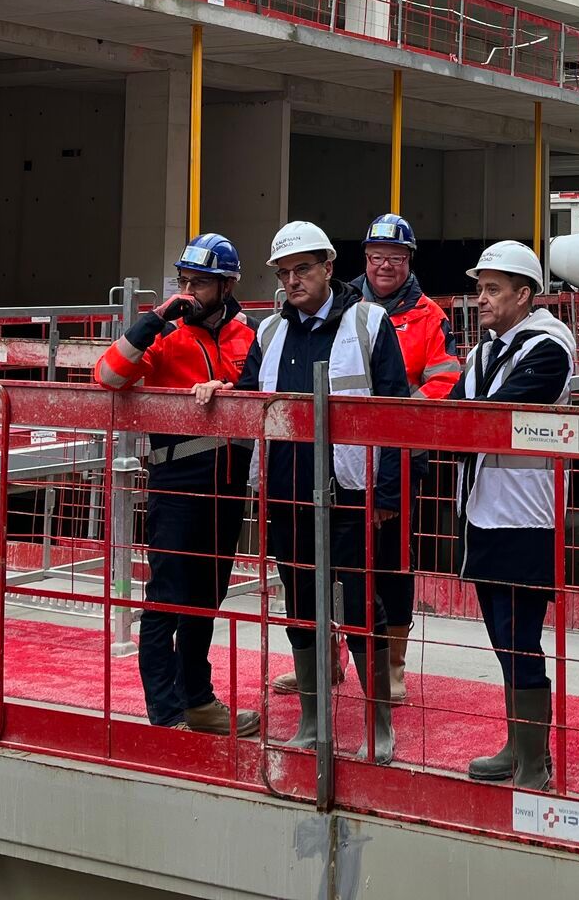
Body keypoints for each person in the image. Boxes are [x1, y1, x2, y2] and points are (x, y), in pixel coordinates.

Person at [198, 220, 411, 763]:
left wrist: (386, 494)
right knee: (302, 609)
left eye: (302, 270)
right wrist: (222, 390)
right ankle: (315, 723)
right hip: (287, 497)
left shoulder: (368, 323)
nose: (292, 281)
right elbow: (251, 396)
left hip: (349, 494)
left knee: (364, 609)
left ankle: (378, 726)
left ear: (328, 268)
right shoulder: (270, 333)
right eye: (284, 272)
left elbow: (395, 411)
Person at [94, 234, 259, 737]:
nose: (190, 291)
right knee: (167, 598)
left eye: (200, 283)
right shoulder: (164, 336)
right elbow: (108, 375)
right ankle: (165, 716)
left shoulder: (246, 335)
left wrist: (230, 391)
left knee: (207, 598)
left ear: (227, 285)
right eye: (184, 281)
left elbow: (259, 389)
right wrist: (153, 319)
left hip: (229, 481)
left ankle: (199, 701)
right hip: (177, 480)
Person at [452, 240, 579, 790]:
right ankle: (517, 745)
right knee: (503, 640)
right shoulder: (484, 352)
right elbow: (459, 411)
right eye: (480, 287)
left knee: (519, 639)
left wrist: (455, 419)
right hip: (485, 512)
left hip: (528, 515)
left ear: (525, 295)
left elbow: (490, 415)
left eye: (493, 289)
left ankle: (534, 762)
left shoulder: (549, 347)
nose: (481, 298)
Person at [354, 212, 461, 703]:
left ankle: (393, 664)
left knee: (394, 561)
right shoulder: (344, 304)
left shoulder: (428, 315)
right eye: (376, 257)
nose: (384, 266)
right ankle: (332, 659)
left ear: (409, 261)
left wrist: (402, 412)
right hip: (344, 452)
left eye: (394, 258)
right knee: (332, 558)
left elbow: (446, 378)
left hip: (397, 455)